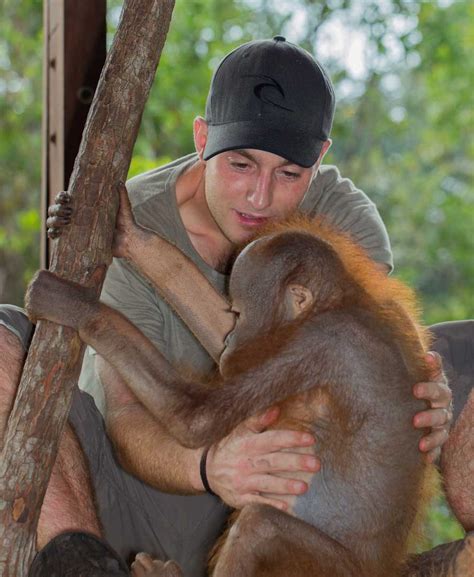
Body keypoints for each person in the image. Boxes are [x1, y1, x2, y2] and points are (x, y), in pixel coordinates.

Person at [3, 37, 452, 576]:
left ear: (320, 157)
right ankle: (79, 558)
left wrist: (426, 392)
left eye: (289, 174)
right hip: (143, 493)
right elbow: (129, 418)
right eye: (240, 164)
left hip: (297, 528)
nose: (260, 197)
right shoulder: (131, 214)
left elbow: (340, 361)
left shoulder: (338, 223)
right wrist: (209, 467)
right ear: (202, 139)